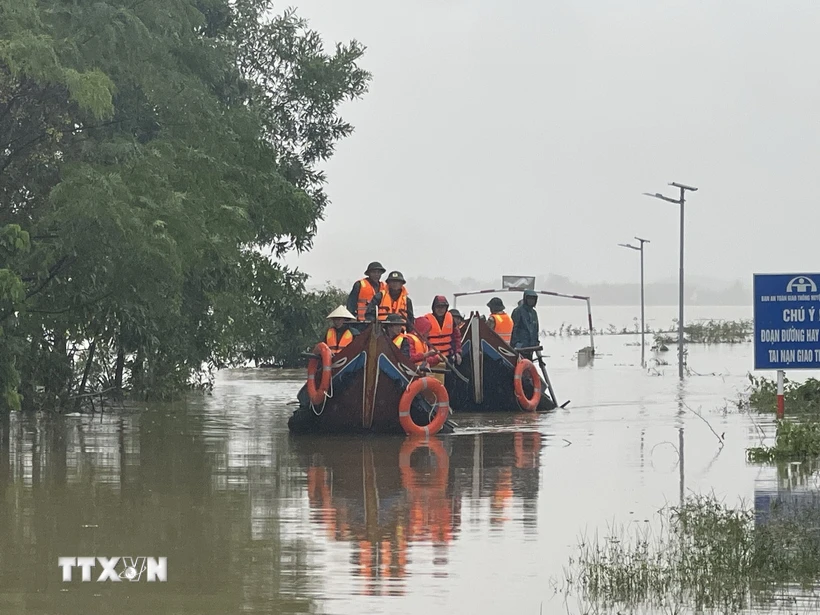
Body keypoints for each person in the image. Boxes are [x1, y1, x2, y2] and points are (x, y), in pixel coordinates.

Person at [423, 296, 462, 365]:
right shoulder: (426, 320)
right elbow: (422, 339)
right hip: (432, 358)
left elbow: (457, 337)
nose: (440, 310)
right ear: (434, 308)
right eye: (438, 307)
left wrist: (458, 352)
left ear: (446, 308)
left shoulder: (450, 319)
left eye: (443, 307)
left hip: (448, 357)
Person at [511, 290, 540, 359]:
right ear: (525, 299)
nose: (531, 301)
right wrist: (516, 343)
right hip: (520, 346)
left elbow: (536, 329)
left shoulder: (534, 313)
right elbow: (514, 328)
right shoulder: (518, 311)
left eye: (533, 299)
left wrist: (536, 342)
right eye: (529, 299)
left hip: (531, 346)